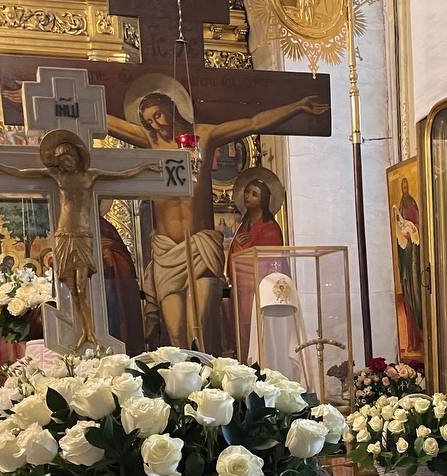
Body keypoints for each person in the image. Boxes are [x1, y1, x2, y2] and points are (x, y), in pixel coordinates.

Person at [105, 89, 328, 351]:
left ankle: (207, 374)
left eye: (158, 115)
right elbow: (109, 122)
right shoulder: (150, 142)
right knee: (175, 330)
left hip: (200, 246)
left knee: (199, 324)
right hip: (166, 252)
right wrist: (71, 102)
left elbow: (254, 122)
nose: (156, 124)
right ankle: (182, 378)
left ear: (172, 108)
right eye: (149, 121)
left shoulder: (205, 135)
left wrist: (296, 105)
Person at [0, 132, 161, 351]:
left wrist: (145, 167)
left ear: (77, 157)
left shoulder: (90, 176)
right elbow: (20, 173)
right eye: (61, 160)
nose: (66, 162)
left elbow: (121, 175)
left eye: (69, 157)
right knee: (71, 289)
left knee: (82, 287)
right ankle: (82, 333)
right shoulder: (57, 177)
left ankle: (90, 332)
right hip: (63, 236)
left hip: (83, 237)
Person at [227, 178, 284, 353]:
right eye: (247, 192)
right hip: (241, 289)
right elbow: (233, 257)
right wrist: (237, 246)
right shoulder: (243, 226)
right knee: (243, 332)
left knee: (258, 331)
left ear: (263, 200)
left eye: (254, 194)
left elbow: (270, 262)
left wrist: (241, 248)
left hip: (258, 288)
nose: (247, 196)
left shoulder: (270, 228)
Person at [394, 177, 423, 355]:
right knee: (408, 299)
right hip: (405, 259)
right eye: (402, 186)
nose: (404, 189)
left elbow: (417, 225)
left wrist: (411, 229)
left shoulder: (412, 204)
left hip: (414, 258)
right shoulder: (400, 205)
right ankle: (412, 341)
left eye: (406, 186)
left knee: (416, 297)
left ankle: (419, 338)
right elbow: (398, 229)